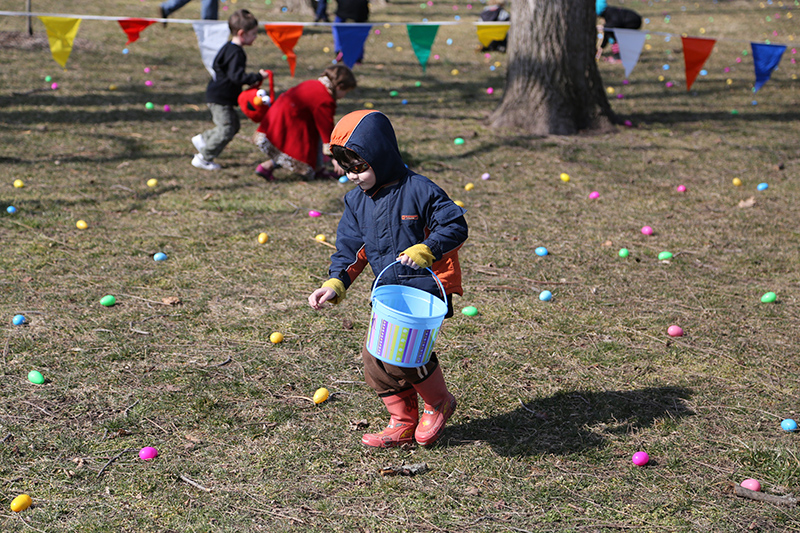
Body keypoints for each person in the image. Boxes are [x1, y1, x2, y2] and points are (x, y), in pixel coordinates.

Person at [307, 110, 468, 448]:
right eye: (346, 168)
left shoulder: (419, 190)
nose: (353, 176)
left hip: (426, 286)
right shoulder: (356, 202)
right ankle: (403, 420)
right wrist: (336, 283)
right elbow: (351, 248)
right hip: (390, 291)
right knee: (375, 358)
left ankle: (438, 402)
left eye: (359, 166)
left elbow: (454, 224)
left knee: (406, 352)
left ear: (381, 155)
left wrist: (427, 248)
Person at [191, 9, 268, 171]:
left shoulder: (228, 47)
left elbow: (217, 66)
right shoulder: (236, 53)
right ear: (242, 33)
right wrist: (257, 77)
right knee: (227, 129)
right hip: (220, 98)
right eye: (253, 34)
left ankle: (204, 139)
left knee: (233, 125)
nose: (256, 37)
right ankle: (204, 157)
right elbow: (236, 76)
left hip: (218, 94)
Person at [252, 65, 356, 181]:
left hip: (283, 112)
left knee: (311, 139)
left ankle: (318, 168)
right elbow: (326, 127)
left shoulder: (315, 84)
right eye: (345, 92)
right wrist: (335, 155)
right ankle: (266, 167)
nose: (344, 96)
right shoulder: (325, 99)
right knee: (293, 149)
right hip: (290, 119)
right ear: (339, 87)